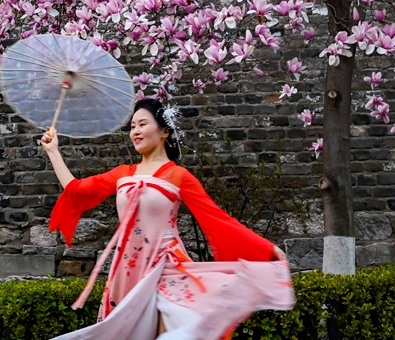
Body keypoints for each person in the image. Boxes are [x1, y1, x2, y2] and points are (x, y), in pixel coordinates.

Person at [40, 98, 295, 340]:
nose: (135, 131)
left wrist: (266, 248)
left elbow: (217, 218)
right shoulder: (122, 174)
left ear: (164, 132)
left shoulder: (178, 176)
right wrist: (53, 151)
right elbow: (75, 189)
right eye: (132, 126)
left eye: (143, 124)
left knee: (175, 331)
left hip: (166, 264)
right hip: (127, 267)